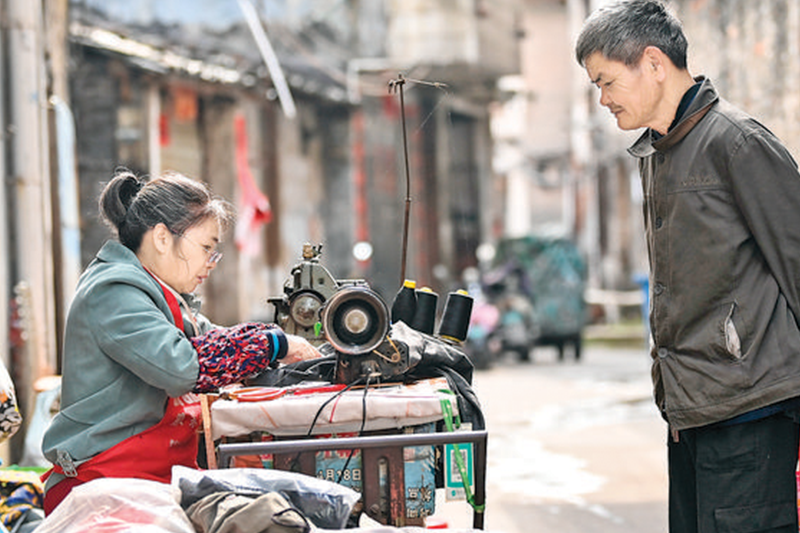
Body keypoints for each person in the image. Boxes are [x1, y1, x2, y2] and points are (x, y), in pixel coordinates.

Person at [576, 2, 800, 532]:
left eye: (607, 82)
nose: (603, 99)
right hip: (691, 409)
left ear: (654, 63)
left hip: (751, 410)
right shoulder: (658, 153)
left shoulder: (737, 142)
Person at [40, 170, 321, 514]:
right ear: (161, 237)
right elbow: (182, 366)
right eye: (206, 248)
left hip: (151, 479)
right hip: (101, 486)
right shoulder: (112, 291)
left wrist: (281, 351)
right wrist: (274, 344)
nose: (210, 263)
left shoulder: (163, 296)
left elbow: (213, 339)